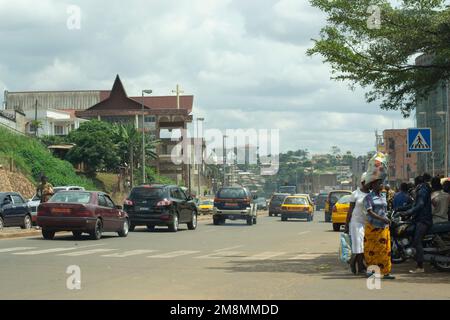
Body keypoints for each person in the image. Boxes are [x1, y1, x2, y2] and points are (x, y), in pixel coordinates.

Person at [363, 179, 395, 280]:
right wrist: (382, 219)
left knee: (385, 250)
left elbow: (385, 209)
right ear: (373, 185)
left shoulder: (383, 195)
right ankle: (371, 271)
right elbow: (370, 212)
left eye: (382, 183)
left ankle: (386, 272)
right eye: (379, 183)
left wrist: (387, 218)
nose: (382, 185)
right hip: (373, 227)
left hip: (384, 227)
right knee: (372, 249)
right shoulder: (368, 197)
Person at [403, 175, 433, 274]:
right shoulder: (423, 189)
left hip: (423, 220)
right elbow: (414, 204)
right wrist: (401, 209)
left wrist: (408, 213)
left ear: (416, 183)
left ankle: (420, 267)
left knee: (417, 241)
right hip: (421, 218)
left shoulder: (422, 190)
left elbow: (420, 205)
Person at [345, 172, 370, 275]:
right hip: (356, 223)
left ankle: (353, 261)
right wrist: (346, 225)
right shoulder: (355, 193)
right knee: (359, 245)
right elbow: (350, 210)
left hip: (367, 222)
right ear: (363, 182)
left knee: (364, 245)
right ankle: (360, 267)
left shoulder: (371, 194)